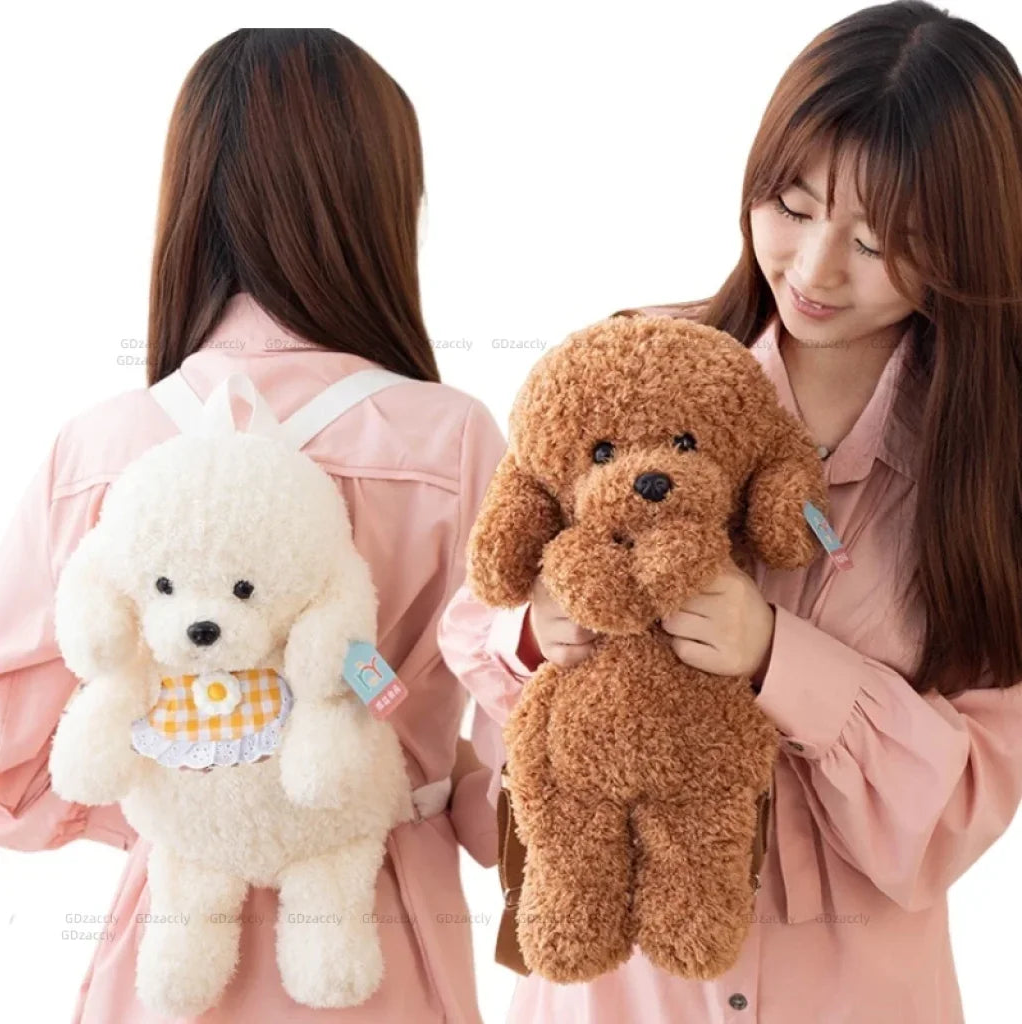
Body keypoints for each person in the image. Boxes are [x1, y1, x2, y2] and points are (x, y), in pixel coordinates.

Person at [438, 2, 1022, 1021]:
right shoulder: (633, 363)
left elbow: (958, 815)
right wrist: (537, 629)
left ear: (968, 247)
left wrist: (776, 659)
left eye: (878, 241)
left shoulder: (988, 477)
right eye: (791, 205)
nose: (815, 268)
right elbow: (476, 626)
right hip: (617, 992)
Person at [0, 28, 506, 1024]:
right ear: (380, 207)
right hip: (382, 939)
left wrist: (176, 782)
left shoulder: (101, 447)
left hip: (168, 947)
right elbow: (529, 758)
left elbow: (12, 752)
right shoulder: (451, 440)